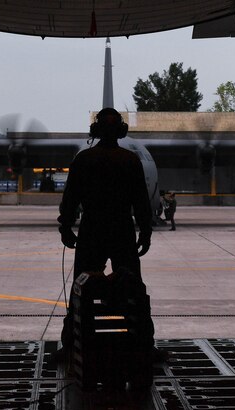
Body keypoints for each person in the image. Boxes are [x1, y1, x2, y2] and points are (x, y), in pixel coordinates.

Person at [56, 108, 158, 360]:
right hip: (122, 229)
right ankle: (144, 344)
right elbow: (141, 202)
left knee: (80, 287)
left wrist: (66, 226)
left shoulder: (83, 160)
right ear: (122, 131)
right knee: (133, 285)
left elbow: (70, 198)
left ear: (95, 131)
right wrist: (145, 231)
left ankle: (71, 344)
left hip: (92, 229)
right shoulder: (130, 160)